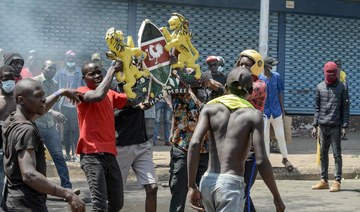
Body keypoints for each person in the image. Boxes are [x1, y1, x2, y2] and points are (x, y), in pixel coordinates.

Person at [187, 67, 285, 212]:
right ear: (251, 91)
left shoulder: (209, 109)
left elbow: (195, 144)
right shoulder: (254, 115)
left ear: (226, 87)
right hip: (231, 185)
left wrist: (191, 186)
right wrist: (276, 197)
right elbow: (261, 160)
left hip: (207, 181)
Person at [1, 78, 84, 211]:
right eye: (38, 96)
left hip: (14, 201)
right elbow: (29, 174)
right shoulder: (26, 130)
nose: (43, 99)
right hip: (28, 204)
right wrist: (68, 194)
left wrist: (60, 93)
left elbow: (42, 109)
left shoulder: (11, 119)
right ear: (21, 100)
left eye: (43, 95)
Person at [168, 67, 223, 212]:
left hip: (204, 150)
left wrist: (210, 83)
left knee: (206, 194)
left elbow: (223, 91)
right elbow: (172, 73)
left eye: (195, 74)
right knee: (179, 192)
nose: (192, 78)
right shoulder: (179, 91)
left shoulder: (209, 94)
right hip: (182, 147)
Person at [76, 61, 126, 211]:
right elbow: (97, 96)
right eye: (92, 73)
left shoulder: (110, 94)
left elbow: (133, 98)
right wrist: (111, 70)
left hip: (110, 154)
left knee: (117, 203)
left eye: (99, 72)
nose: (97, 75)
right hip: (91, 155)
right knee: (99, 204)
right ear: (84, 77)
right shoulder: (81, 91)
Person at [113, 82, 158, 212]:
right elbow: (113, 112)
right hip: (121, 147)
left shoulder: (140, 88)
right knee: (116, 194)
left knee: (152, 187)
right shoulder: (111, 92)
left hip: (141, 144)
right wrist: (136, 105)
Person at [33, 60, 74, 190]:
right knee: (36, 158)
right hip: (36, 125)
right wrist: (52, 112)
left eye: (54, 69)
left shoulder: (55, 84)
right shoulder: (35, 82)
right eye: (49, 68)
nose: (52, 71)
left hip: (50, 126)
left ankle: (67, 187)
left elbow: (55, 104)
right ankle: (38, 188)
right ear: (42, 68)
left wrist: (57, 119)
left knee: (58, 156)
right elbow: (35, 104)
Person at [235, 49, 267, 212]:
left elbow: (240, 96)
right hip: (236, 144)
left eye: (247, 65)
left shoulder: (259, 85)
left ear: (256, 67)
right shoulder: (237, 83)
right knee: (239, 191)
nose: (242, 67)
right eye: (240, 64)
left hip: (251, 146)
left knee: (244, 191)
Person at [311, 61, 350, 192]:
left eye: (333, 72)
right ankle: (324, 180)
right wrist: (314, 125)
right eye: (328, 72)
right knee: (323, 154)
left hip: (336, 126)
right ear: (324, 72)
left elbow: (345, 108)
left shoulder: (342, 87)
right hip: (322, 126)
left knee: (337, 155)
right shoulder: (320, 87)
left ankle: (337, 181)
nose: (331, 74)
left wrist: (344, 126)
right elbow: (317, 107)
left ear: (337, 72)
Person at [259, 57, 293, 171]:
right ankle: (267, 160)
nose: (273, 66)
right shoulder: (260, 78)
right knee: (265, 137)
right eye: (271, 64)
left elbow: (280, 93)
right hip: (264, 112)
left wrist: (282, 109)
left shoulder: (277, 76)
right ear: (266, 66)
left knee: (280, 135)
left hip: (276, 111)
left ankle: (285, 157)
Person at [54, 50, 83, 161]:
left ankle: (75, 153)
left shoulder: (80, 72)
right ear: (66, 59)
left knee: (75, 129)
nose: (70, 60)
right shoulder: (60, 72)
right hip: (63, 105)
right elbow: (56, 86)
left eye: (72, 58)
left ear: (75, 60)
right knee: (65, 130)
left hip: (76, 104)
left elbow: (83, 86)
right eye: (68, 58)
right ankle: (66, 153)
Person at [0, 65, 17, 201]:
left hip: (15, 140)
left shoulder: (19, 96)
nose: (10, 82)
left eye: (12, 78)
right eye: (6, 79)